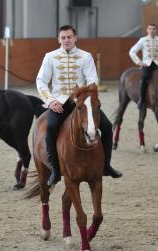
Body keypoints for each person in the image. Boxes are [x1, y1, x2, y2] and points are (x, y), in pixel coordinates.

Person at [36, 24, 122, 186]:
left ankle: (106, 166)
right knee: (50, 129)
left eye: (69, 37)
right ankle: (55, 170)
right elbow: (41, 81)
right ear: (58, 39)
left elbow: (92, 80)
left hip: (82, 103)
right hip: (59, 103)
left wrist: (87, 96)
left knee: (106, 126)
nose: (66, 40)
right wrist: (50, 101)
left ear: (75, 38)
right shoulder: (50, 56)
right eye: (63, 37)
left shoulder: (86, 56)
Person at [129, 23, 158, 109]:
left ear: (156, 31)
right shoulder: (142, 40)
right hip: (147, 64)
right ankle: (141, 100)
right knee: (144, 79)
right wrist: (139, 62)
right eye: (150, 29)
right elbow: (132, 51)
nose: (152, 30)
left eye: (154, 29)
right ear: (147, 30)